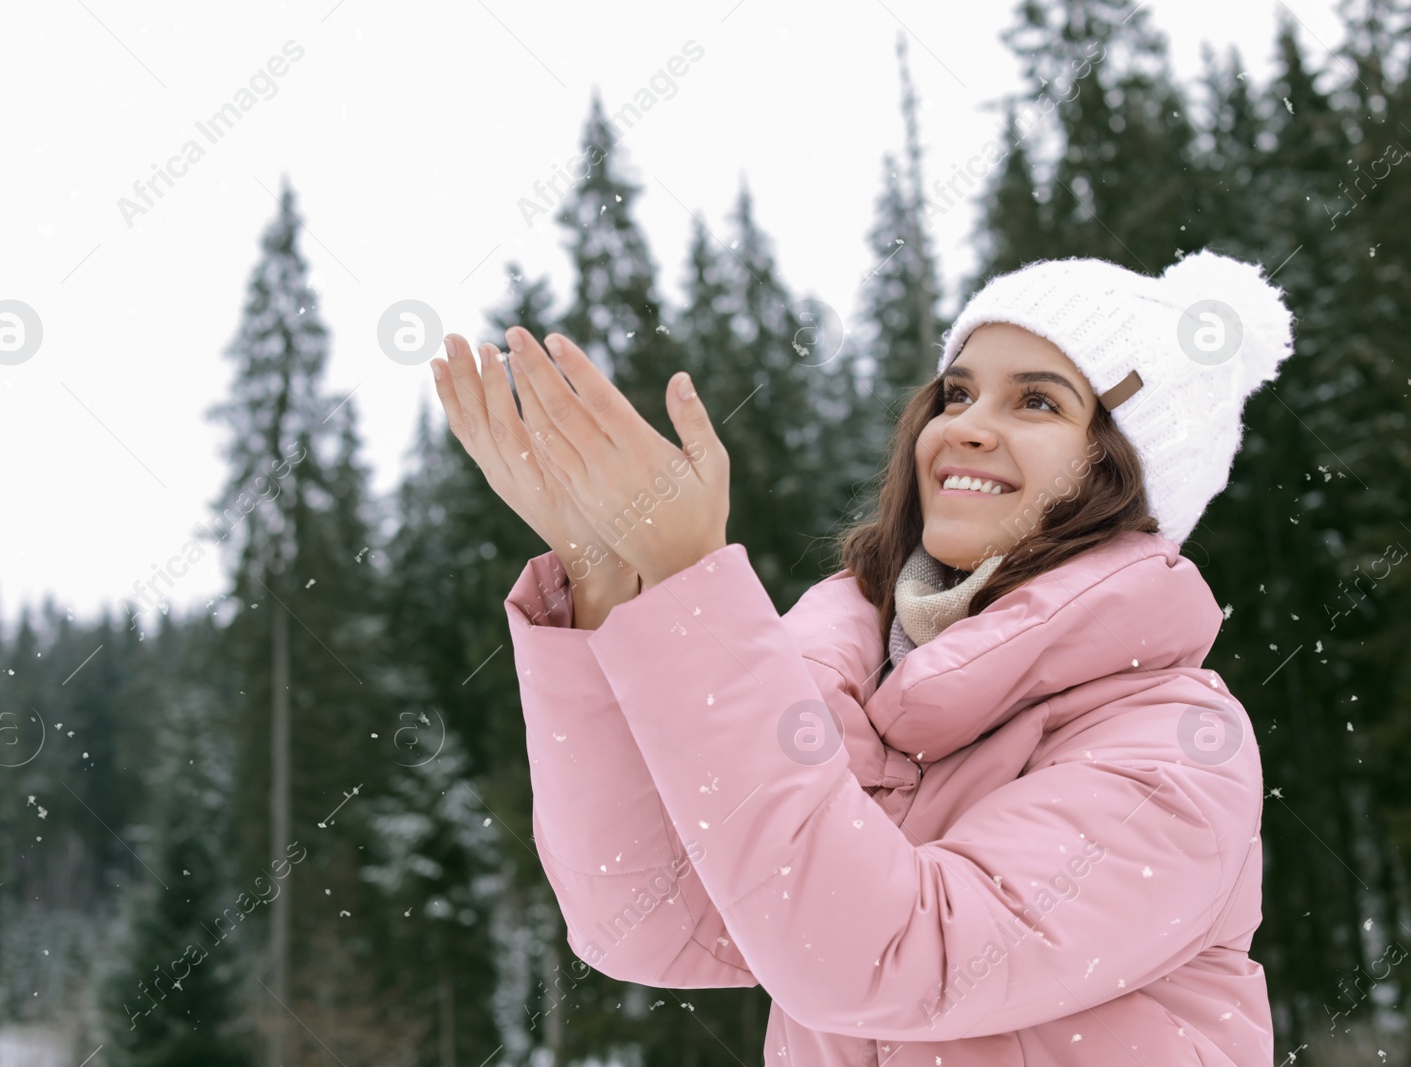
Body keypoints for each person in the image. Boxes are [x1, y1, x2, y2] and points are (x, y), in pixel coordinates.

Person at [429, 248, 1293, 1066]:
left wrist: (695, 585)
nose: (967, 430)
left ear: (1127, 472)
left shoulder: (1174, 745)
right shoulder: (849, 680)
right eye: (956, 395)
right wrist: (608, 582)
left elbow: (893, 957)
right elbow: (646, 915)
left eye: (1038, 402)